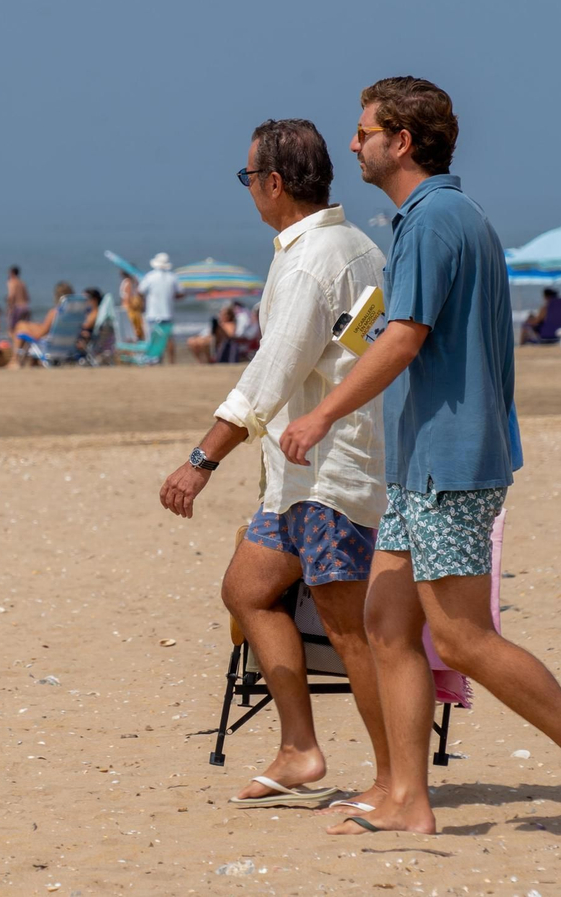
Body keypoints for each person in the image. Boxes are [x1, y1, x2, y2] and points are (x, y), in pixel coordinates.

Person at [278, 77, 561, 843]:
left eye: (364, 131)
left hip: (452, 461)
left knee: (460, 638)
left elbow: (403, 337)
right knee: (387, 621)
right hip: (422, 462)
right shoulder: (434, 217)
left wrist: (319, 414)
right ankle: (408, 800)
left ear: (401, 142)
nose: (353, 144)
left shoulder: (436, 219)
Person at [159, 118, 391, 811]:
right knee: (247, 590)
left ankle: (393, 779)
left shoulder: (317, 259)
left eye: (248, 176)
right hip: (294, 478)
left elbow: (271, 374)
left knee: (351, 633)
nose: (248, 189)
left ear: (275, 183)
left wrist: (201, 460)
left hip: (330, 474)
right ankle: (300, 749)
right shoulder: (352, 247)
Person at [138, 253, 182, 363]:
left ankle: (155, 360)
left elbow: (140, 291)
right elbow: (180, 293)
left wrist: (143, 303)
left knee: (154, 339)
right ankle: (172, 361)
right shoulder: (173, 277)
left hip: (152, 313)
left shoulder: (150, 277)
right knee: (169, 338)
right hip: (168, 312)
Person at [6, 266, 32, 333]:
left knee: (12, 329)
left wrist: (10, 308)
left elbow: (11, 295)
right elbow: (27, 298)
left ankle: (15, 343)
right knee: (25, 330)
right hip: (25, 308)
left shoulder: (12, 282)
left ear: (12, 273)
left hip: (17, 308)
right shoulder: (22, 283)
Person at [120, 274, 145, 340]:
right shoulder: (129, 283)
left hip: (124, 309)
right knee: (135, 331)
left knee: (128, 332)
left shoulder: (124, 282)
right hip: (130, 310)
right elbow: (128, 298)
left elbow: (123, 298)